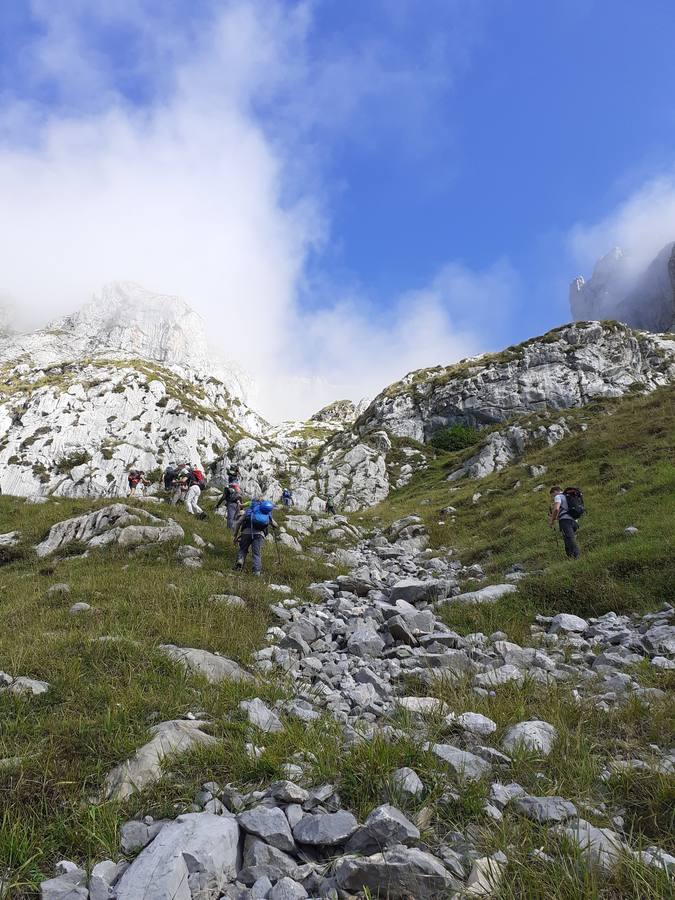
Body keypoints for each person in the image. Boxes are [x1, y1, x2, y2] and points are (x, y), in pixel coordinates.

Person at [233, 499, 278, 576]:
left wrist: (235, 535)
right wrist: (275, 526)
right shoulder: (266, 513)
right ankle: (256, 572)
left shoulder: (250, 511)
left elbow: (239, 522)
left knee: (243, 549)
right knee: (256, 554)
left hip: (246, 533)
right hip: (259, 535)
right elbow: (275, 524)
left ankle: (240, 561)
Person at [549, 485, 580, 558]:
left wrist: (552, 521)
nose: (553, 497)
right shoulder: (569, 496)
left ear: (555, 491)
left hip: (565, 520)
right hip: (575, 520)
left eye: (552, 495)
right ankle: (570, 557)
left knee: (570, 538)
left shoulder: (558, 496)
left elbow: (556, 509)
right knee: (568, 538)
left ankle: (576, 557)